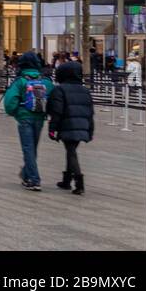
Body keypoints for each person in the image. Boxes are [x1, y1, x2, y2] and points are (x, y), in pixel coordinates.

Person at [4, 51, 54, 191]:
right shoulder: (45, 81)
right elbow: (53, 98)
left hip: (25, 117)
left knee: (28, 148)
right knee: (33, 148)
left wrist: (16, 112)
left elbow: (10, 102)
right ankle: (26, 175)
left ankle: (34, 179)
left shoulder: (21, 81)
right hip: (40, 117)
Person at [47, 59, 95, 195]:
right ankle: (67, 180)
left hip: (67, 125)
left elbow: (56, 111)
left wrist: (52, 129)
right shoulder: (85, 91)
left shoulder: (60, 90)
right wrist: (90, 130)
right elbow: (90, 112)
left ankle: (79, 182)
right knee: (71, 150)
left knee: (71, 151)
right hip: (82, 126)